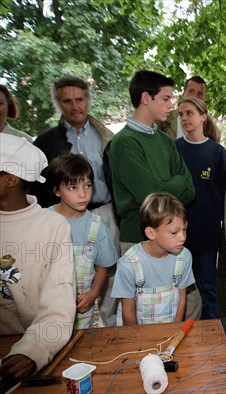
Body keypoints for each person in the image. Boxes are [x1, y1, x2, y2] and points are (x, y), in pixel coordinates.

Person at [32, 76, 120, 326]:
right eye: (67, 101)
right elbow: (39, 186)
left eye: (79, 99)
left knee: (108, 271)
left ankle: (104, 327)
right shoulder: (46, 142)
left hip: (103, 213)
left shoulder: (107, 137)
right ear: (59, 103)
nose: (74, 106)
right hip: (62, 218)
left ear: (88, 100)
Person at [0, 134, 75, 380]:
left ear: (11, 178)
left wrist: (34, 351)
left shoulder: (52, 227)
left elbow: (58, 304)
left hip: (29, 347)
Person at [109, 70, 195, 255]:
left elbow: (191, 190)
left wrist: (163, 188)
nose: (171, 105)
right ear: (146, 98)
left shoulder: (165, 140)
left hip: (170, 240)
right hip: (138, 241)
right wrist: (178, 181)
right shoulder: (124, 142)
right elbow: (150, 195)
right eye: (165, 98)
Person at [44, 153, 118, 329]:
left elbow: (103, 265)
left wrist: (94, 293)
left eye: (87, 186)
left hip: (83, 310)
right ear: (56, 190)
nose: (83, 194)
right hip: (48, 308)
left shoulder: (96, 225)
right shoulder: (44, 221)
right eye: (72, 188)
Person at [175, 97, 226, 319]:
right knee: (178, 286)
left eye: (190, 113)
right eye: (181, 114)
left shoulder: (216, 153)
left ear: (203, 116)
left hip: (207, 232)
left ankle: (210, 331)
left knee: (206, 285)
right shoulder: (174, 149)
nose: (185, 118)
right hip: (176, 232)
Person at [112, 192, 195, 325]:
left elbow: (182, 298)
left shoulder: (184, 257)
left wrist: (175, 329)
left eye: (184, 229)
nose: (183, 237)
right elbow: (128, 310)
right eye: (174, 232)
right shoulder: (129, 264)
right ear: (151, 233)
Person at [158, 75, 221, 142]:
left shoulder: (214, 131)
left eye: (200, 94)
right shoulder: (164, 120)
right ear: (183, 93)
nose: (194, 96)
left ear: (204, 98)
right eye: (191, 91)